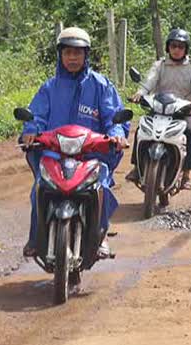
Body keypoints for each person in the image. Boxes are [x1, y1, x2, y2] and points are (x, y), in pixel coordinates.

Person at [20, 27, 130, 258]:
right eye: (67, 52)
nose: (72, 58)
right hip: (54, 153)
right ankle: (35, 238)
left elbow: (114, 117)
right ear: (60, 54)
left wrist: (117, 133)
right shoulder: (49, 88)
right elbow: (36, 115)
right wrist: (31, 130)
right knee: (39, 187)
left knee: (103, 187)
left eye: (77, 53)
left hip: (91, 155)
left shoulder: (101, 86)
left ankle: (100, 236)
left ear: (86, 55)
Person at [126, 28, 191, 190]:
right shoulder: (159, 65)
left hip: (183, 110)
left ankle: (186, 174)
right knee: (141, 128)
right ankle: (136, 167)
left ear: (186, 49)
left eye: (181, 46)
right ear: (168, 47)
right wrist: (140, 93)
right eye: (173, 46)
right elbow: (149, 82)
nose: (177, 50)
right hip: (159, 108)